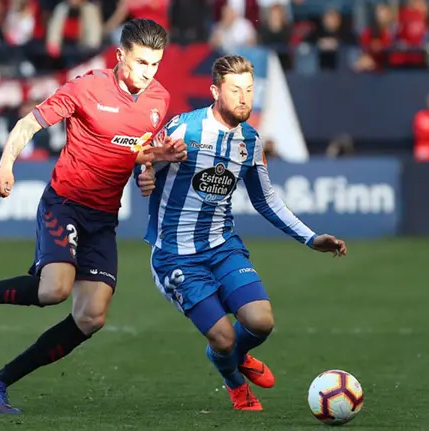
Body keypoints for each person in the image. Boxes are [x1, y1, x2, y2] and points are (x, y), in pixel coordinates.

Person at [0, 18, 187, 414]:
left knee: (91, 316)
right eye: (141, 63)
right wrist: (5, 166)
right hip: (64, 203)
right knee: (54, 290)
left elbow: (134, 151)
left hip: (103, 218)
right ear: (120, 56)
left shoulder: (158, 100)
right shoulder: (86, 88)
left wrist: (149, 166)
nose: (148, 73)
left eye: (155, 64)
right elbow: (28, 124)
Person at [135, 55, 347, 411]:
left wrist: (311, 238)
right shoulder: (184, 129)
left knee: (261, 322)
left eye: (249, 90)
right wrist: (146, 174)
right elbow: (143, 158)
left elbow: (266, 200)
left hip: (223, 247)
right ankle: (236, 383)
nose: (244, 98)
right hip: (176, 255)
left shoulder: (250, 139)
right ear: (215, 91)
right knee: (222, 338)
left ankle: (235, 354)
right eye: (235, 90)